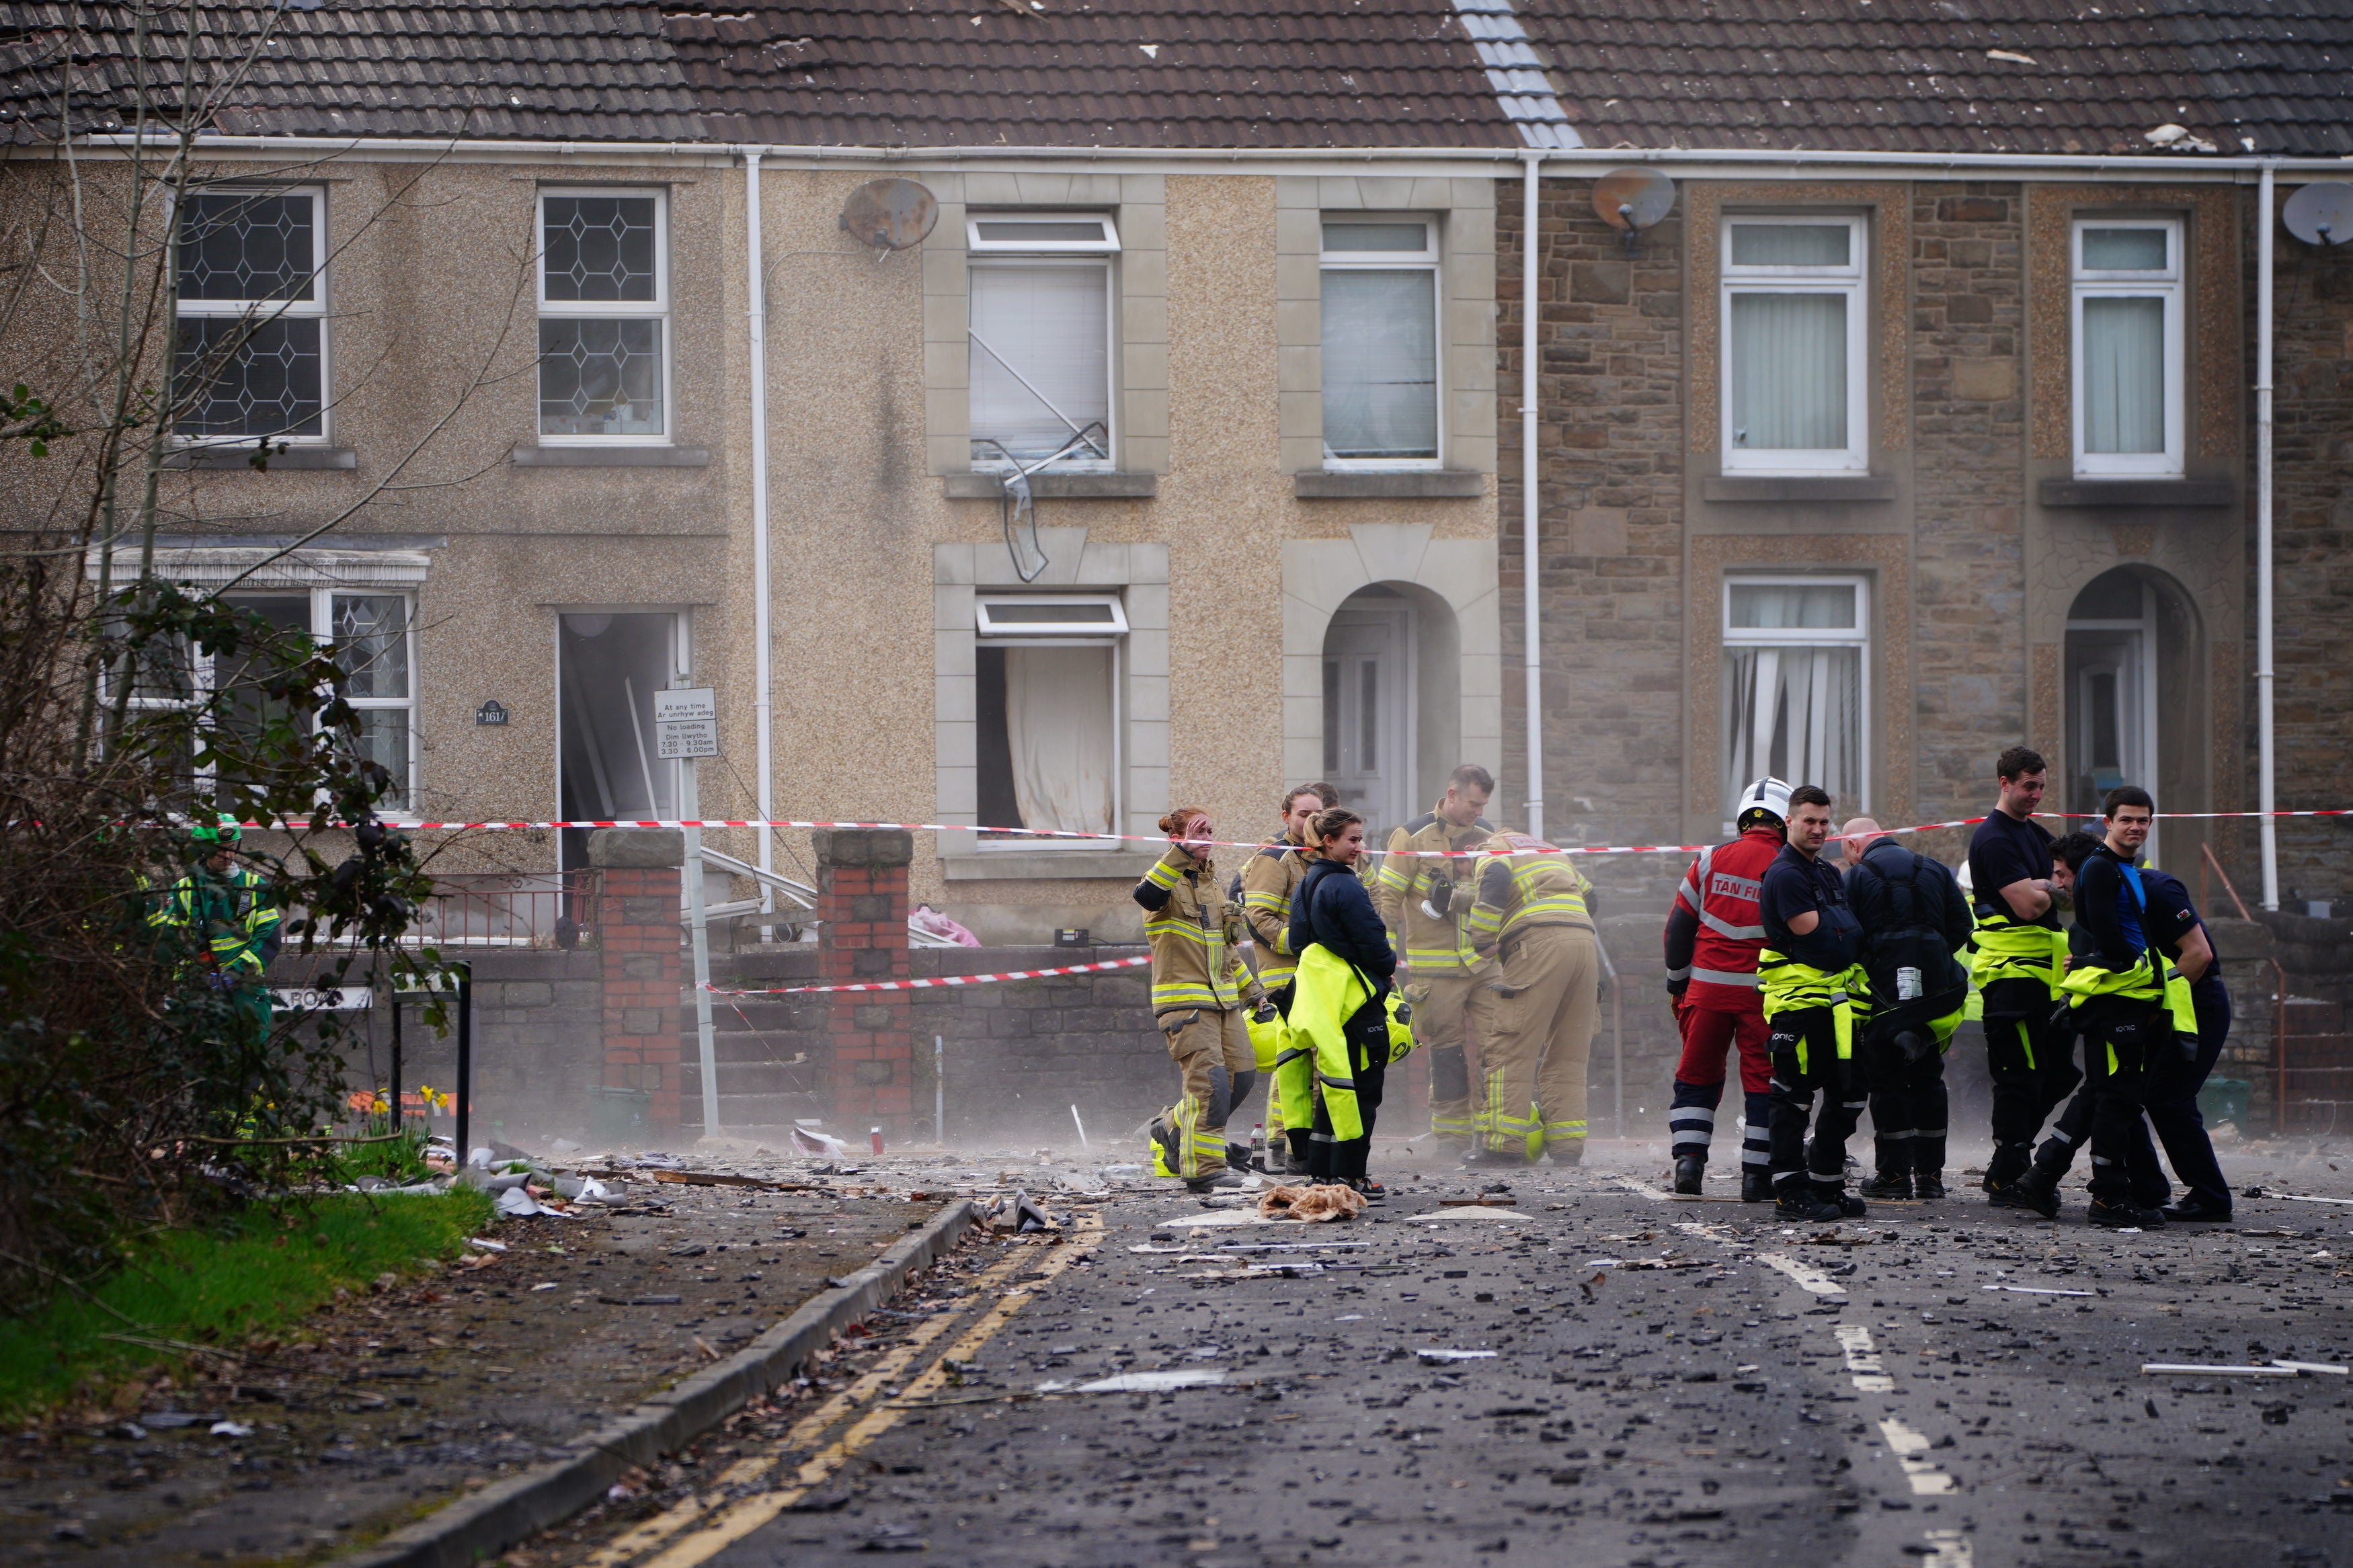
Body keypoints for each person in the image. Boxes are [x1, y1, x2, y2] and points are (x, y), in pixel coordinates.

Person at [2012, 796, 2231, 1222]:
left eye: (2062, 877)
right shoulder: (2098, 905)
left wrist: (2152, 1003)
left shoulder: (2154, 888)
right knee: (2119, 1090)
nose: (2056, 886)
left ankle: (2209, 1198)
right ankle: (2140, 1190)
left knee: (2164, 1097)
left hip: (2192, 1002)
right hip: (2147, 1006)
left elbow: (2197, 956)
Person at [2043, 787, 2177, 1229]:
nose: (2135, 827)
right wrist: (2106, 961)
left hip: (2129, 996)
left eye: (2143, 820)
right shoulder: (2101, 869)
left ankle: (2042, 1175)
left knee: (2107, 1095)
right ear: (2108, 822)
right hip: (2115, 1000)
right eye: (2127, 820)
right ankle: (2108, 1196)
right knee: (2116, 1099)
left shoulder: (2124, 868)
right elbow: (2110, 941)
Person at [1662, 776, 1789, 1200]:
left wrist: (1678, 981)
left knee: (1697, 1076)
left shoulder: (1710, 859)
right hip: (1764, 996)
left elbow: (1678, 927)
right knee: (1763, 1082)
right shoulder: (1788, 866)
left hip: (1707, 993)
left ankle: (1689, 1164)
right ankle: (1757, 1176)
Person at [1966, 747, 2078, 1206]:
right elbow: (2030, 905)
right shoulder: (1994, 839)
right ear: (2005, 782)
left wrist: (2047, 888)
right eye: (2028, 785)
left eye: (2041, 787)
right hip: (2010, 978)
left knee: (2059, 1072)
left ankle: (2012, 1164)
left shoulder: (2038, 835)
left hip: (2048, 976)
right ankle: (2006, 1174)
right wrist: (2048, 889)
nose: (2035, 794)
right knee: (2020, 1075)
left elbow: (2068, 895)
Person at [1840, 818, 1973, 1202]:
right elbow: (1962, 925)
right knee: (1929, 1077)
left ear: (1852, 845)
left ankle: (1894, 1176)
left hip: (1881, 988)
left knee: (1886, 1081)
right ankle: (1930, 1177)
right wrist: (1928, 951)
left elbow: (1847, 934)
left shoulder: (1856, 877)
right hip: (1934, 984)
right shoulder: (1933, 869)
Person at [1134, 807, 1265, 1192]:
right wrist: (1181, 852)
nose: (1207, 837)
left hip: (1224, 1003)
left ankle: (1169, 1127)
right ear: (1177, 838)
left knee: (1241, 1078)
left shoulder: (1210, 885)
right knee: (1209, 1086)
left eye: (1209, 830)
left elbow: (1226, 952)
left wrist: (1253, 992)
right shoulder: (1164, 881)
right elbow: (1146, 894)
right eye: (1198, 832)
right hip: (1186, 1005)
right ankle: (1204, 1170)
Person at [1371, 764, 1498, 1159]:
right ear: (1452, 794)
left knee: (1501, 1046)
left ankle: (1494, 1132)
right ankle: (1452, 1138)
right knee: (1447, 1053)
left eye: (1483, 806)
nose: (1478, 812)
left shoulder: (1489, 837)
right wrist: (1383, 958)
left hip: (1484, 964)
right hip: (1436, 971)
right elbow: (1387, 900)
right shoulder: (1413, 836)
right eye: (1473, 804)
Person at [1757, 785, 1869, 1221]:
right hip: (1799, 1005)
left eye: (1825, 822)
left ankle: (1826, 1181)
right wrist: (1842, 929)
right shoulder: (1785, 874)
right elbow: (1817, 936)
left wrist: (1840, 929)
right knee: (1793, 1098)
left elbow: (1845, 934)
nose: (1819, 829)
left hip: (1836, 1005)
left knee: (1849, 1094)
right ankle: (1790, 1190)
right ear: (1790, 821)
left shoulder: (1824, 872)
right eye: (1810, 821)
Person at [1462, 827, 1599, 1166]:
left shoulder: (1490, 848)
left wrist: (1481, 942)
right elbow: (1591, 899)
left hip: (1538, 945)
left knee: (1511, 1047)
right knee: (1569, 1054)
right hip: (1584, 945)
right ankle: (1568, 1147)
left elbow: (1492, 883)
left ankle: (1503, 1146)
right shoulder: (1550, 848)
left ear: (1468, 850)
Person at [1286, 806, 1398, 1197]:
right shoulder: (1347, 885)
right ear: (1328, 842)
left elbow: (1296, 941)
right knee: (1362, 1089)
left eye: (1360, 838)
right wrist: (1386, 968)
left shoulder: (1307, 883)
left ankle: (1321, 1172)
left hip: (1324, 1001)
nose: (1359, 847)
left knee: (1333, 1086)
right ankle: (1352, 1175)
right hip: (1356, 1002)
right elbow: (1373, 940)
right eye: (1352, 839)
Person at [1238, 782, 1338, 1175]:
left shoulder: (1323, 854)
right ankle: (1283, 1145)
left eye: (1317, 814)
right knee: (1296, 1059)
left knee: (1314, 1059)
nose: (1310, 820)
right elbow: (1259, 919)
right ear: (1286, 817)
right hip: (1287, 973)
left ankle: (1299, 1143)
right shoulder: (1275, 858)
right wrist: (1306, 946)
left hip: (1323, 974)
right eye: (1302, 814)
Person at [151, 815, 282, 1038]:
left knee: (246, 1061)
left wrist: (234, 975)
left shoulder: (254, 887)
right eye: (219, 849)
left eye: (231, 848)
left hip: (244, 992)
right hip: (197, 991)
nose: (227, 855)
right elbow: (167, 939)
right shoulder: (183, 889)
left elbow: (269, 940)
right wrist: (193, 975)